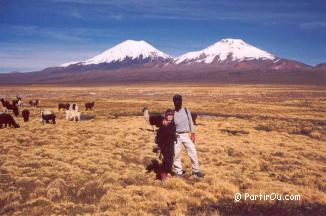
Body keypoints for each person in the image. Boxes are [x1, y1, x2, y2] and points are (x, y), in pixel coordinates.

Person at [173, 94, 204, 178]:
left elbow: (191, 122)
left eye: (178, 100)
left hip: (186, 135)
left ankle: (196, 171)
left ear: (181, 101)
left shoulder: (186, 110)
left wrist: (193, 133)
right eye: (175, 101)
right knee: (176, 154)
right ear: (173, 102)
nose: (177, 102)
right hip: (176, 136)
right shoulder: (172, 113)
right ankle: (178, 172)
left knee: (193, 152)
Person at [155, 109, 176, 181]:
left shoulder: (172, 124)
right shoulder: (163, 124)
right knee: (167, 160)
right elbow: (159, 135)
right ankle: (163, 175)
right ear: (166, 116)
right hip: (164, 145)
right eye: (168, 115)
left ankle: (165, 173)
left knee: (170, 159)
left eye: (171, 115)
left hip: (171, 144)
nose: (170, 116)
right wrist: (159, 145)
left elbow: (172, 133)